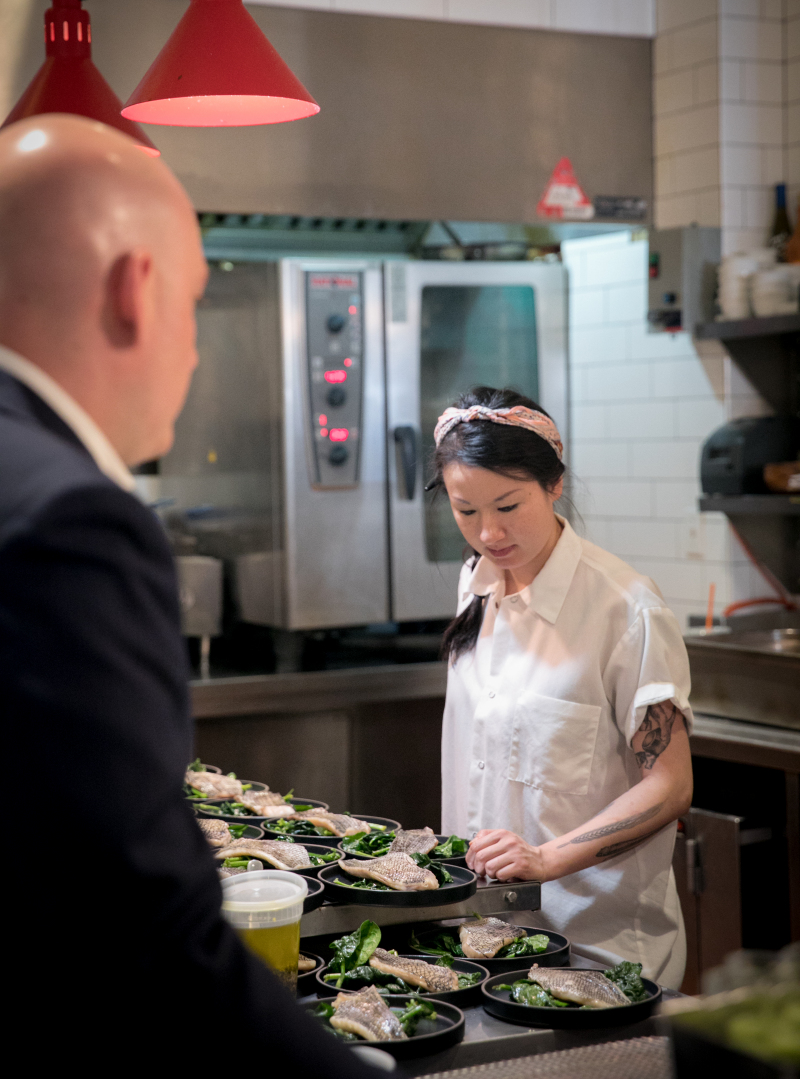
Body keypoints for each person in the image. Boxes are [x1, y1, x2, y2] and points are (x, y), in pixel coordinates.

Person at [0, 114, 373, 1072]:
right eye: (197, 303)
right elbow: (147, 939)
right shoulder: (68, 519)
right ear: (136, 289)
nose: (198, 352)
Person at [434, 386, 693, 990]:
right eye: (466, 511)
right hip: (486, 941)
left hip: (599, 954)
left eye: (508, 505)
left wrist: (545, 860)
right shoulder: (476, 584)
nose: (489, 532)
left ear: (554, 485)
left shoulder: (625, 609)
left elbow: (670, 784)